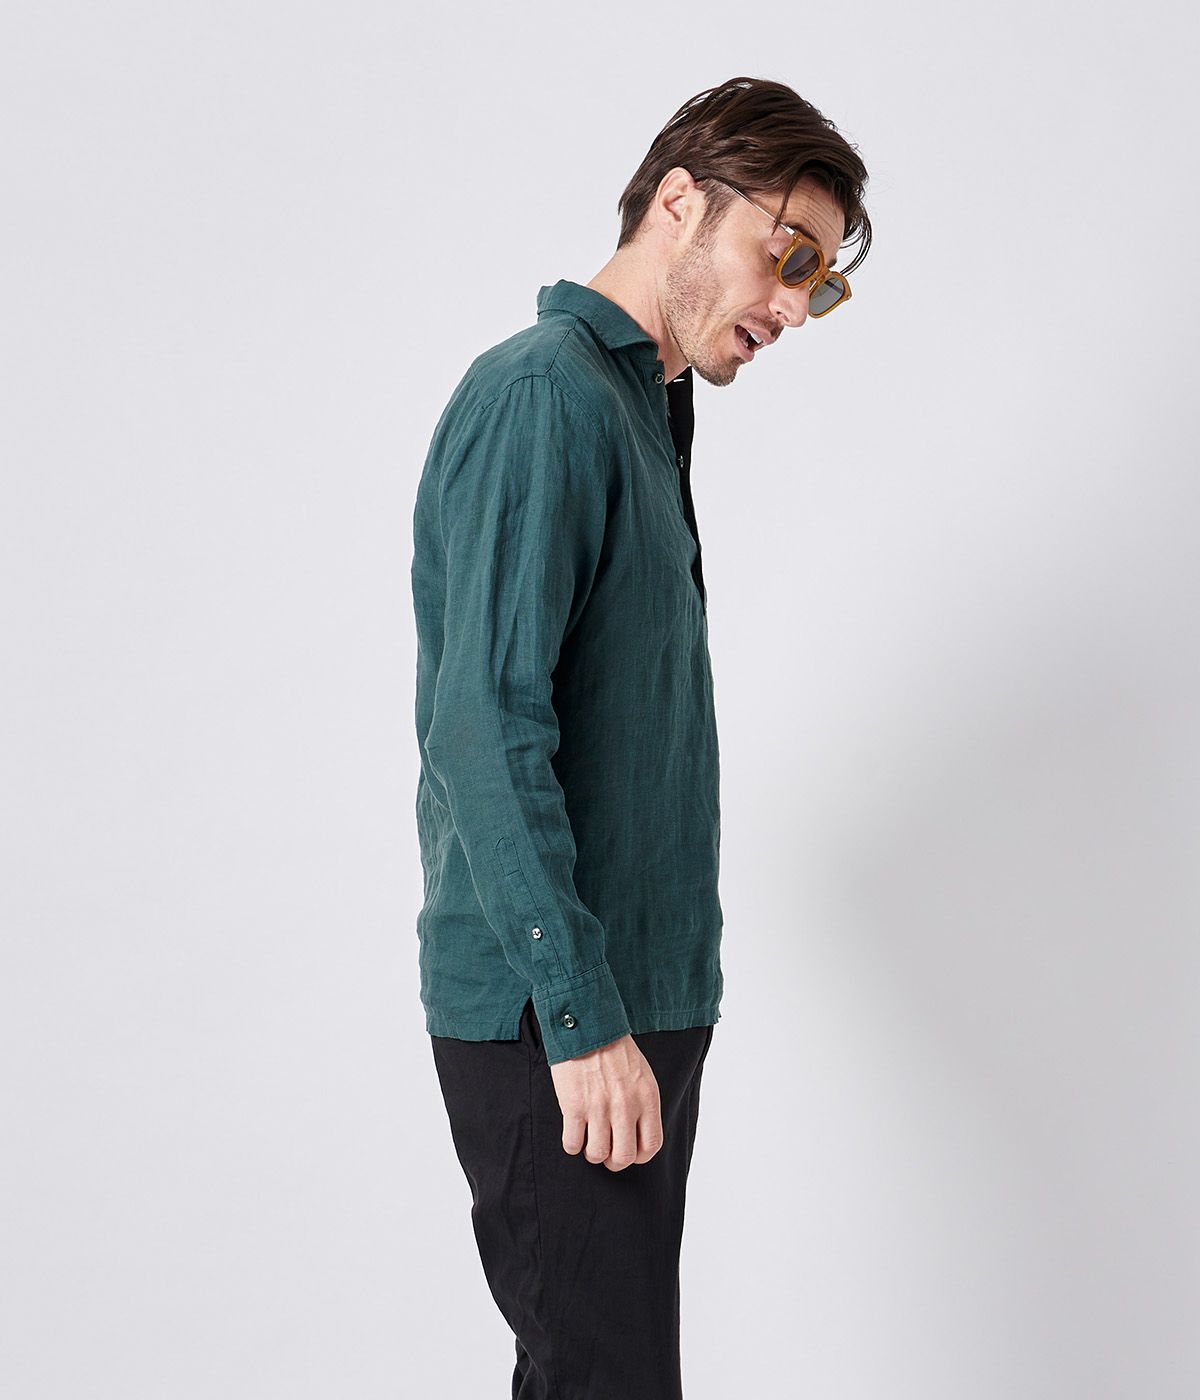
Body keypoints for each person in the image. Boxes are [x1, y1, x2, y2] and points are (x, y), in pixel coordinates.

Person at [410, 74, 872, 1399]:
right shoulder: (544, 396)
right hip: (560, 1012)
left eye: (824, 283)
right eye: (788, 256)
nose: (795, 306)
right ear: (679, 201)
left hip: (636, 1002)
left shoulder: (640, 407)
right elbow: (483, 726)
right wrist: (579, 1017)